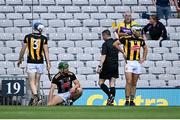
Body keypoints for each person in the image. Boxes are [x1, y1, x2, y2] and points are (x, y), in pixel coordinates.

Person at [17, 22, 51, 106]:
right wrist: (48, 63)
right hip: (40, 62)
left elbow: (23, 49)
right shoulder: (44, 38)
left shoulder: (27, 37)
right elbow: (46, 52)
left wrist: (20, 59)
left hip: (31, 62)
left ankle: (37, 97)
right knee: (37, 82)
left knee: (31, 82)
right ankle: (33, 100)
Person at [113, 26, 148, 106]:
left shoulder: (140, 40)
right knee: (128, 81)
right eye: (138, 30)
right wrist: (123, 52)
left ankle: (132, 100)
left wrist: (143, 58)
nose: (139, 32)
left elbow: (145, 48)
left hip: (137, 63)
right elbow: (115, 44)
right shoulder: (126, 38)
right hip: (129, 62)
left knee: (134, 83)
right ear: (133, 31)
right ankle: (127, 100)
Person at [96, 30, 125, 106]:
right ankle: (111, 102)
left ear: (105, 35)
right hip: (115, 65)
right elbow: (117, 38)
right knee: (112, 83)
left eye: (103, 36)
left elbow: (103, 56)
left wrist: (100, 66)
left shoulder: (105, 44)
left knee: (100, 82)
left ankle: (110, 96)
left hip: (107, 65)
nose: (103, 38)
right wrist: (115, 31)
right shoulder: (116, 41)